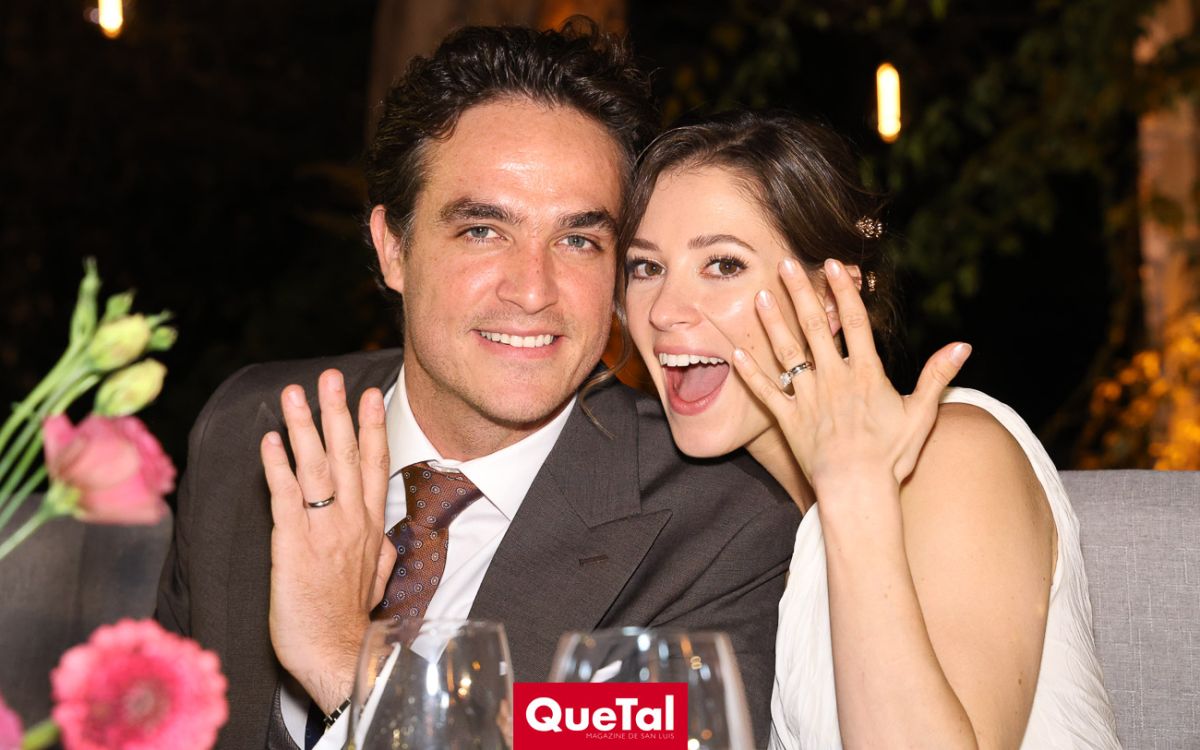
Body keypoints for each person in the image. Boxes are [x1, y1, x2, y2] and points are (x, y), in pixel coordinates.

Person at [155, 23, 800, 750]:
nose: (533, 289)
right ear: (393, 248)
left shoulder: (718, 525)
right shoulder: (251, 430)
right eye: (483, 231)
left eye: (578, 240)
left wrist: (343, 661)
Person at [621, 111, 1121, 748]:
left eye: (722, 265)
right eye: (646, 268)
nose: (664, 311)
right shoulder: (741, 526)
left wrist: (855, 489)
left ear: (832, 298)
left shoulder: (951, 452)